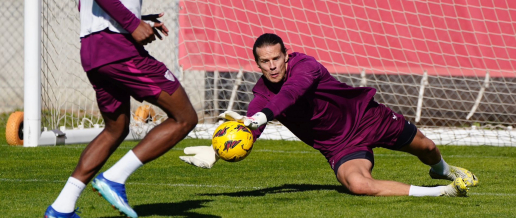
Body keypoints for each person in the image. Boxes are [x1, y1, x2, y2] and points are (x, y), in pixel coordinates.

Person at [44, 0, 198, 217]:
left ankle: (61, 207)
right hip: (117, 49)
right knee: (185, 117)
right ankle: (114, 178)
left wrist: (138, 21)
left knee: (116, 128)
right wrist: (131, 24)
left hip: (94, 49)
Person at [180, 33, 479, 197]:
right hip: (340, 147)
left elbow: (291, 94)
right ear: (257, 64)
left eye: (276, 58)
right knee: (358, 185)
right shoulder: (261, 95)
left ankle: (442, 170)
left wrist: (263, 116)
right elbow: (250, 130)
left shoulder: (305, 66)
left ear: (287, 55)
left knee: (426, 147)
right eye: (264, 62)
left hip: (366, 117)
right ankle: (440, 192)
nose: (272, 66)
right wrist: (217, 150)